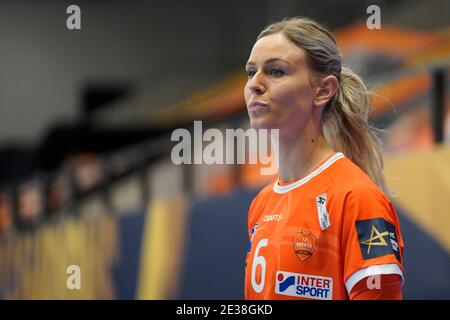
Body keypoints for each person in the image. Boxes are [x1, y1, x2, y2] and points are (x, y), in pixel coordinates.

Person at [243, 17, 404, 300]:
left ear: (323, 90)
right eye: (250, 72)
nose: (255, 85)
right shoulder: (262, 204)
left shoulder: (356, 197)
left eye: (276, 71)